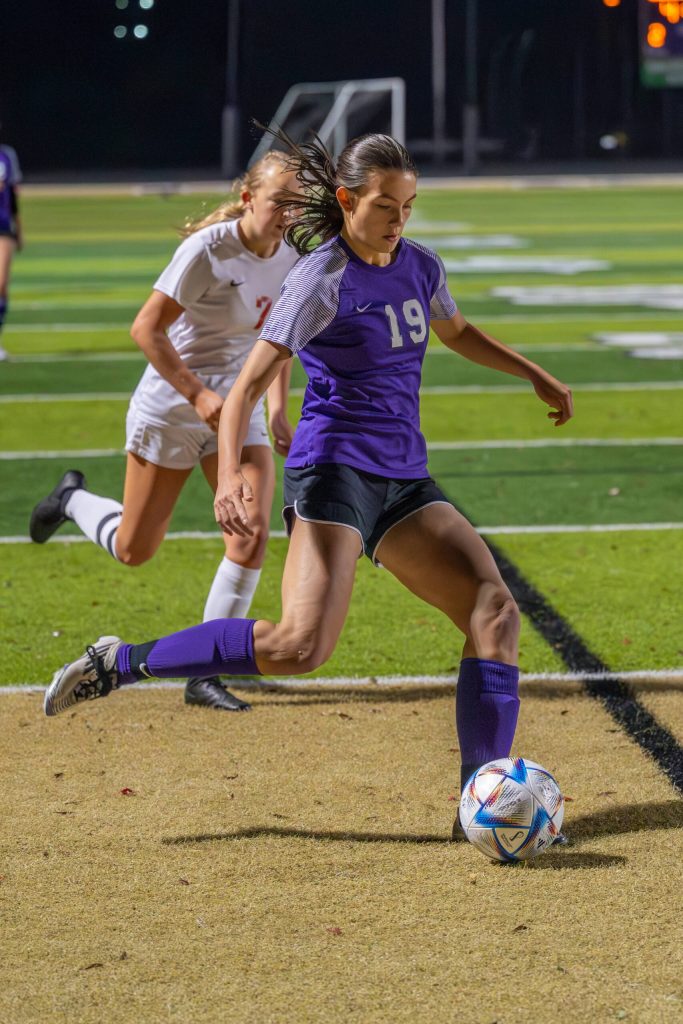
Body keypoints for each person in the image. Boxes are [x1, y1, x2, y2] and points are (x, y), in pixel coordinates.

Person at [43, 130, 573, 827]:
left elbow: (456, 331)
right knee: (298, 646)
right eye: (384, 206)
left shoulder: (420, 265)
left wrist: (533, 373)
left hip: (403, 477)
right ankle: (122, 663)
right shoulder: (322, 278)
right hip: (332, 473)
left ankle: (481, 801)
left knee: (494, 612)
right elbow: (245, 386)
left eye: (408, 206)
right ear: (347, 201)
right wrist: (230, 475)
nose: (398, 220)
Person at [32, 151, 301, 710]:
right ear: (248, 198)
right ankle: (71, 499)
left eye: (297, 204)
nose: (290, 213)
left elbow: (279, 341)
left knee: (249, 533)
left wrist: (277, 407)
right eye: (280, 201)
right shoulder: (207, 250)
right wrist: (198, 394)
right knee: (134, 549)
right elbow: (146, 328)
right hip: (172, 409)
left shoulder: (294, 256)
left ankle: (205, 673)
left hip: (237, 409)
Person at [0, 129, 23, 361]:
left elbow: (13, 196)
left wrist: (20, 229)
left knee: (1, 284)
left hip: (3, 226)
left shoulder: (7, 155)